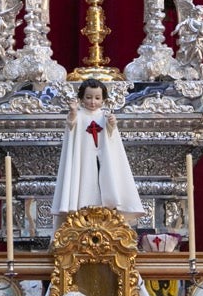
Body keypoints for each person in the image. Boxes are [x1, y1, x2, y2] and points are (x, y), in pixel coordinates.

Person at [51, 78, 143, 219]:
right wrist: (73, 112)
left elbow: (111, 139)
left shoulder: (105, 116)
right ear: (81, 98)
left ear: (103, 100)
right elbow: (71, 125)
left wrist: (112, 125)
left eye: (97, 98)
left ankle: (108, 209)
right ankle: (82, 209)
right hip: (83, 160)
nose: (93, 102)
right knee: (84, 181)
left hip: (102, 159)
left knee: (105, 180)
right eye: (88, 97)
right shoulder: (79, 115)